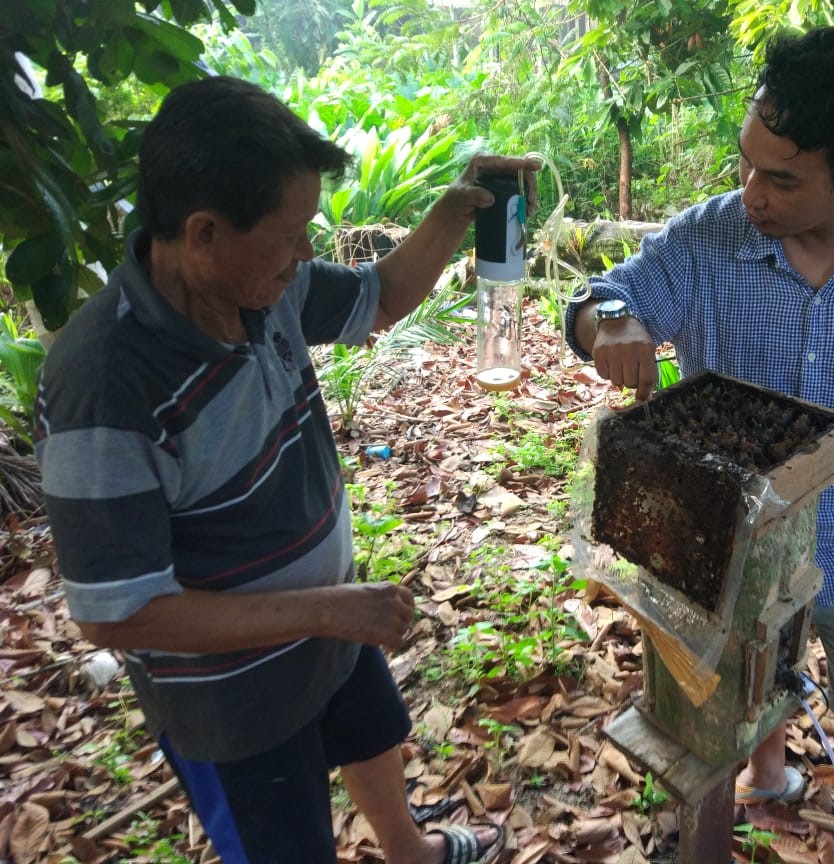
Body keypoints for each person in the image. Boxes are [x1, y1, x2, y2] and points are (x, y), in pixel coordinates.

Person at [35, 75, 539, 864]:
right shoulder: (106, 385)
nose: (308, 250)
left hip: (329, 629)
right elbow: (115, 615)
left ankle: (410, 851)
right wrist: (326, 610)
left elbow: (378, 298)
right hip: (235, 702)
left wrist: (456, 205)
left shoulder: (265, 284)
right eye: (293, 230)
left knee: (368, 735)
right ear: (203, 233)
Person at [566, 23, 834, 864]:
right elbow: (603, 297)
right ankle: (739, 809)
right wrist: (611, 325)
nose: (752, 192)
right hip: (722, 553)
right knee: (709, 726)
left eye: (783, 179)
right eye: (747, 162)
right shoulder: (710, 236)